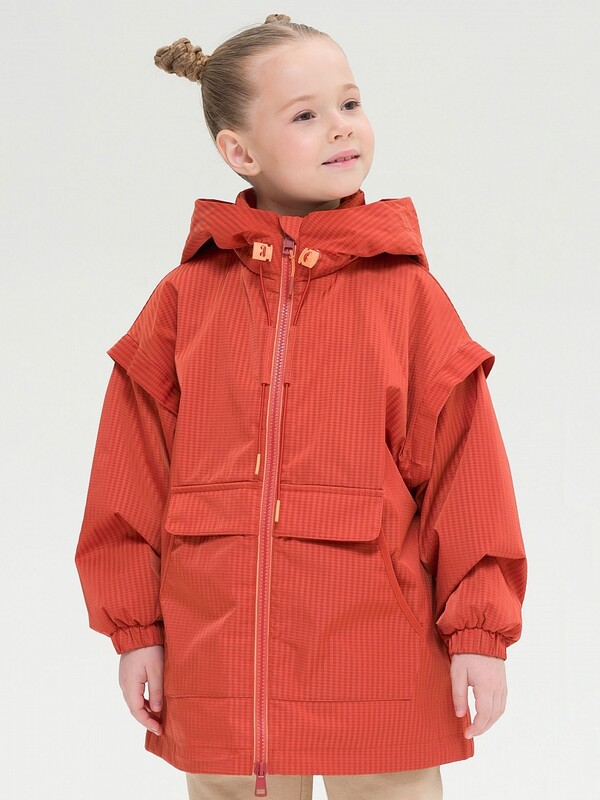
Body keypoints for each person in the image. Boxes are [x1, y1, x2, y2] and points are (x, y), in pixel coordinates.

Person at [75, 13, 528, 800]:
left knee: (391, 790)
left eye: (349, 103)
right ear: (240, 152)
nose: (341, 127)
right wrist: (135, 630)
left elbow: (467, 473)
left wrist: (479, 633)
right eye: (306, 114)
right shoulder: (185, 299)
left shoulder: (409, 297)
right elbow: (132, 472)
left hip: (378, 642)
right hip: (219, 649)